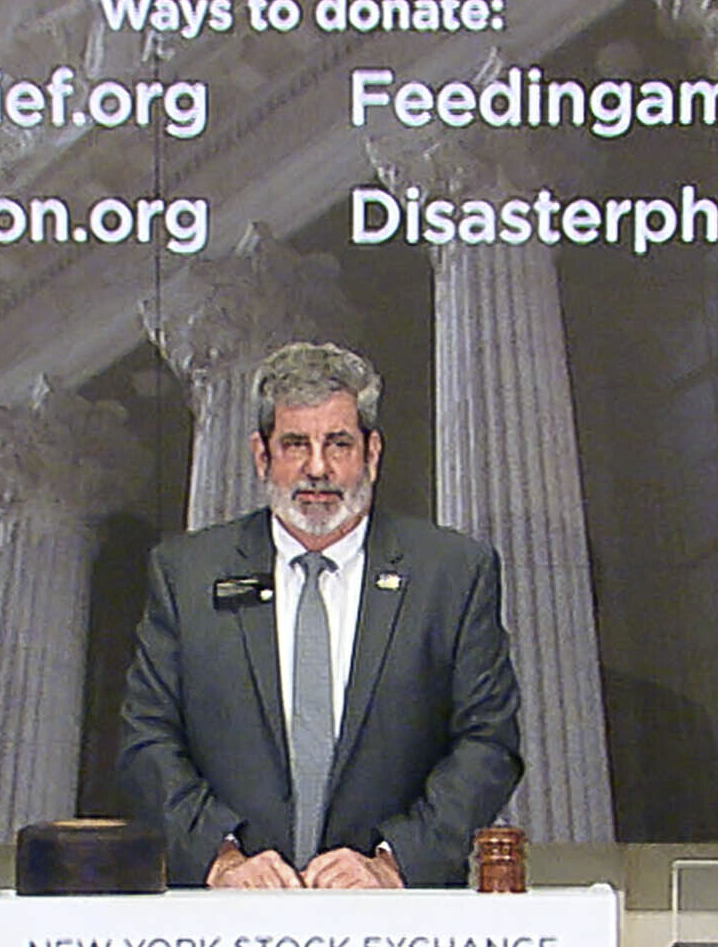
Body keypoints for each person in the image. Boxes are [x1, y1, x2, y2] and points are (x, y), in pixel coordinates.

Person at [120, 341, 522, 888]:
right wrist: (221, 859)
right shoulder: (185, 573)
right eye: (294, 445)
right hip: (228, 920)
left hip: (398, 924)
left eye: (338, 443)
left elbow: (488, 741)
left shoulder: (451, 573)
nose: (317, 468)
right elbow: (148, 738)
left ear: (372, 454)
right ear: (262, 456)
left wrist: (393, 862)